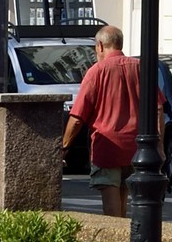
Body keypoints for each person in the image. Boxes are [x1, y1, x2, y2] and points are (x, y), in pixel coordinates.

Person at [61, 24, 164, 218]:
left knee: (110, 204)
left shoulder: (97, 71)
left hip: (107, 146)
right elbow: (158, 108)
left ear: (100, 46)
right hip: (138, 146)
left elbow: (77, 117)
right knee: (124, 197)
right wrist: (159, 147)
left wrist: (64, 146)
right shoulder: (141, 67)